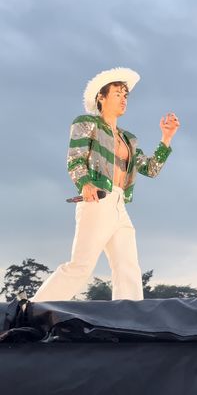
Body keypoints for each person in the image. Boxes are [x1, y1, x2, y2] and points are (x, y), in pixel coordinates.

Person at [30, 67, 180, 302]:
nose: (123, 99)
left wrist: (166, 138)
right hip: (97, 198)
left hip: (120, 204)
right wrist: (85, 183)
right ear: (101, 97)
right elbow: (75, 158)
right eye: (118, 94)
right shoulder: (87, 123)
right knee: (81, 266)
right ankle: (31, 311)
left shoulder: (128, 139)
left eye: (126, 95)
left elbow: (151, 169)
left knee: (128, 268)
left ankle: (129, 322)